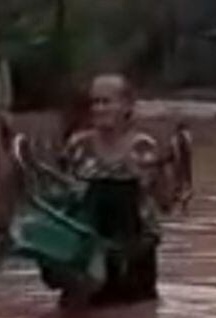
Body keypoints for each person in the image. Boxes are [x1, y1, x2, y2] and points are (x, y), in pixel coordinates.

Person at [57, 74, 191, 304]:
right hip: (87, 259)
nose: (99, 108)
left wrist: (175, 167)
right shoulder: (78, 147)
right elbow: (62, 200)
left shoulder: (145, 148)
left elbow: (166, 204)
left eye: (107, 101)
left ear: (127, 106)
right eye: (95, 102)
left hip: (135, 258)